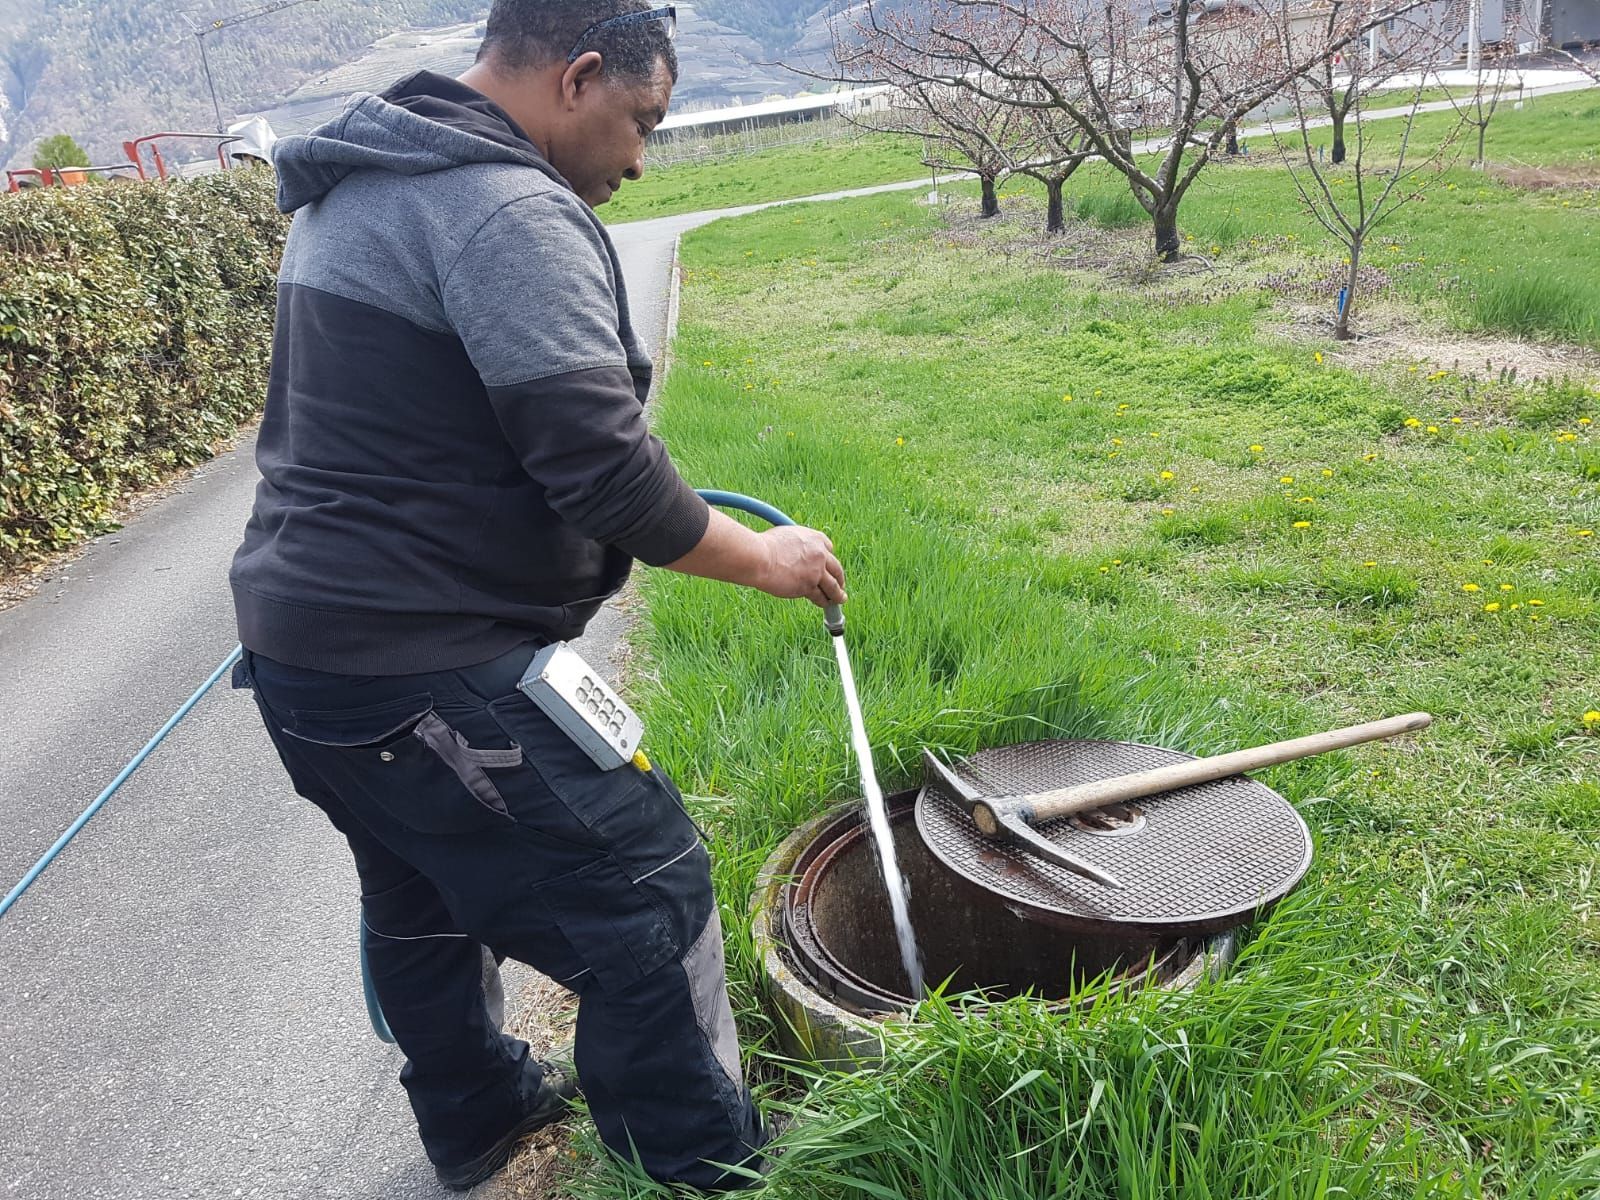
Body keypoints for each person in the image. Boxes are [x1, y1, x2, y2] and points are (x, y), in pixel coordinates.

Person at [227, 1, 846, 1192]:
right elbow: (605, 472)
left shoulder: (357, 183)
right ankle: (703, 1169)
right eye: (641, 120)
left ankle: (478, 1114)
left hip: (306, 662)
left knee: (420, 893)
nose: (640, 159)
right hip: (420, 664)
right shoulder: (502, 207)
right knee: (645, 890)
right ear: (577, 77)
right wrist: (768, 560)